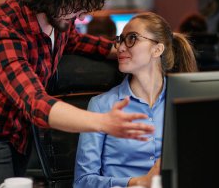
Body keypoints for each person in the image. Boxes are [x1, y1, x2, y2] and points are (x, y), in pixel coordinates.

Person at [0, 0, 154, 188]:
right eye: (77, 8)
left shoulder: (58, 20)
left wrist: (124, 50)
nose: (81, 17)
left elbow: (77, 41)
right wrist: (103, 123)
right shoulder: (3, 30)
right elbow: (34, 101)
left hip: (19, 134)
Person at [74, 12, 198, 188]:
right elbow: (82, 182)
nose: (121, 47)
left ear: (157, 49)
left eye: (132, 38)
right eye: (121, 39)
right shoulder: (101, 105)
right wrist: (138, 182)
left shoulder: (183, 100)